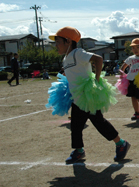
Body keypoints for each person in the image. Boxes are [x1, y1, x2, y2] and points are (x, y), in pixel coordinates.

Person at [48, 26, 130, 163]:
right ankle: (79, 150)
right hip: (77, 98)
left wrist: (96, 80)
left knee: (99, 123)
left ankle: (121, 144)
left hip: (87, 97)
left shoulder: (77, 53)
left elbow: (98, 59)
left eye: (58, 42)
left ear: (68, 41)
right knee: (76, 125)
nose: (56, 45)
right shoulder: (66, 58)